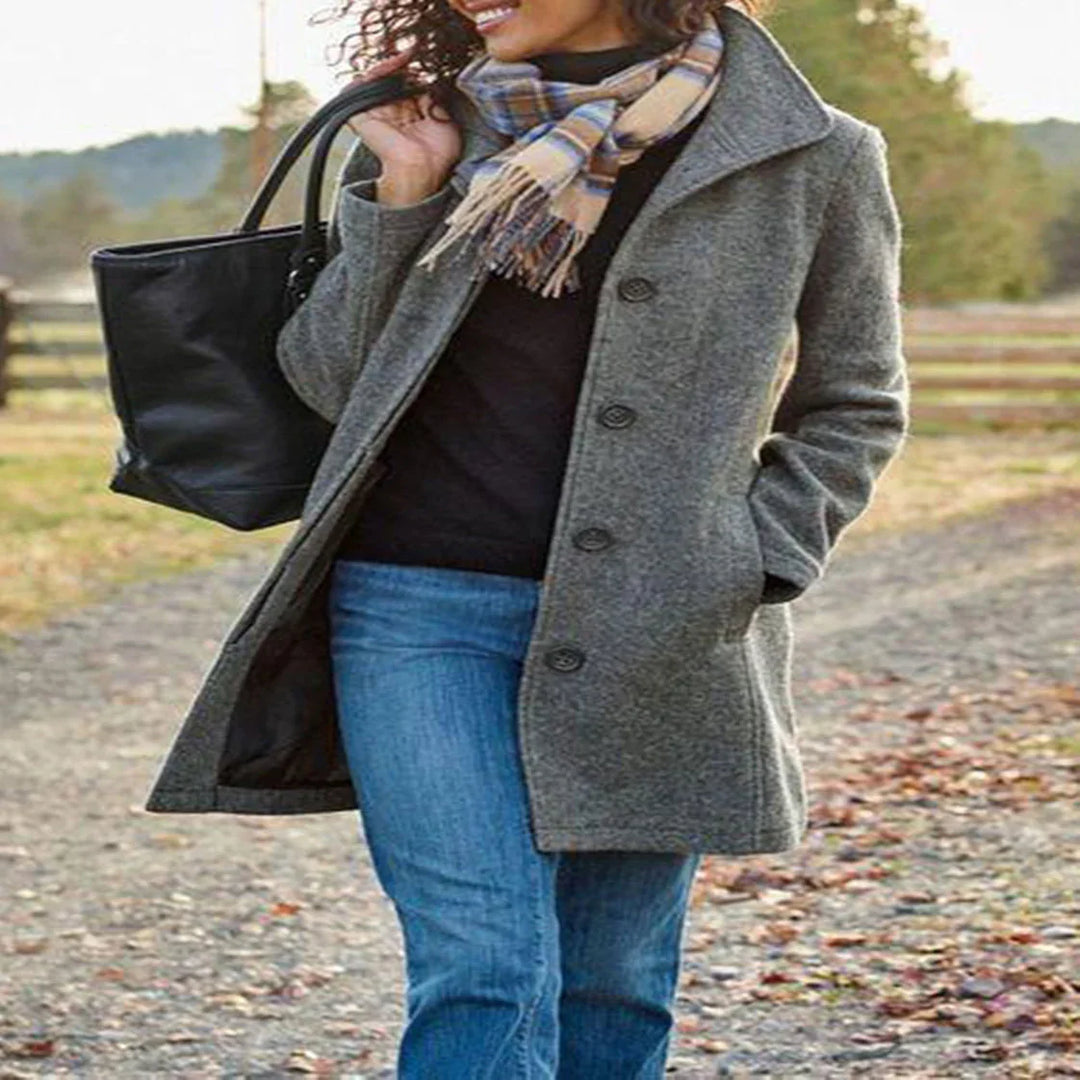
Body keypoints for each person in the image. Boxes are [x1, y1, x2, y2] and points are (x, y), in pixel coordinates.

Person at [266, 0, 909, 1074]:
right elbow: (326, 383)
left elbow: (856, 402)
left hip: (659, 628)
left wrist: (750, 558)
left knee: (613, 982)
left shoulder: (813, 152)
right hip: (415, 609)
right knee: (484, 966)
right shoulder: (436, 124)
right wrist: (408, 193)